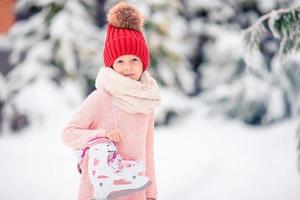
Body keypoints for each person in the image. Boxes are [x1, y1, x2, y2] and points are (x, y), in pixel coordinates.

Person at [61, 1, 161, 200]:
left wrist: (150, 194)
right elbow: (69, 134)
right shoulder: (102, 97)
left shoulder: (145, 102)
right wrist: (102, 135)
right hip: (99, 191)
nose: (127, 67)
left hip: (134, 189)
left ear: (144, 63)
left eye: (134, 59)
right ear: (111, 65)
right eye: (120, 61)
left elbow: (147, 151)